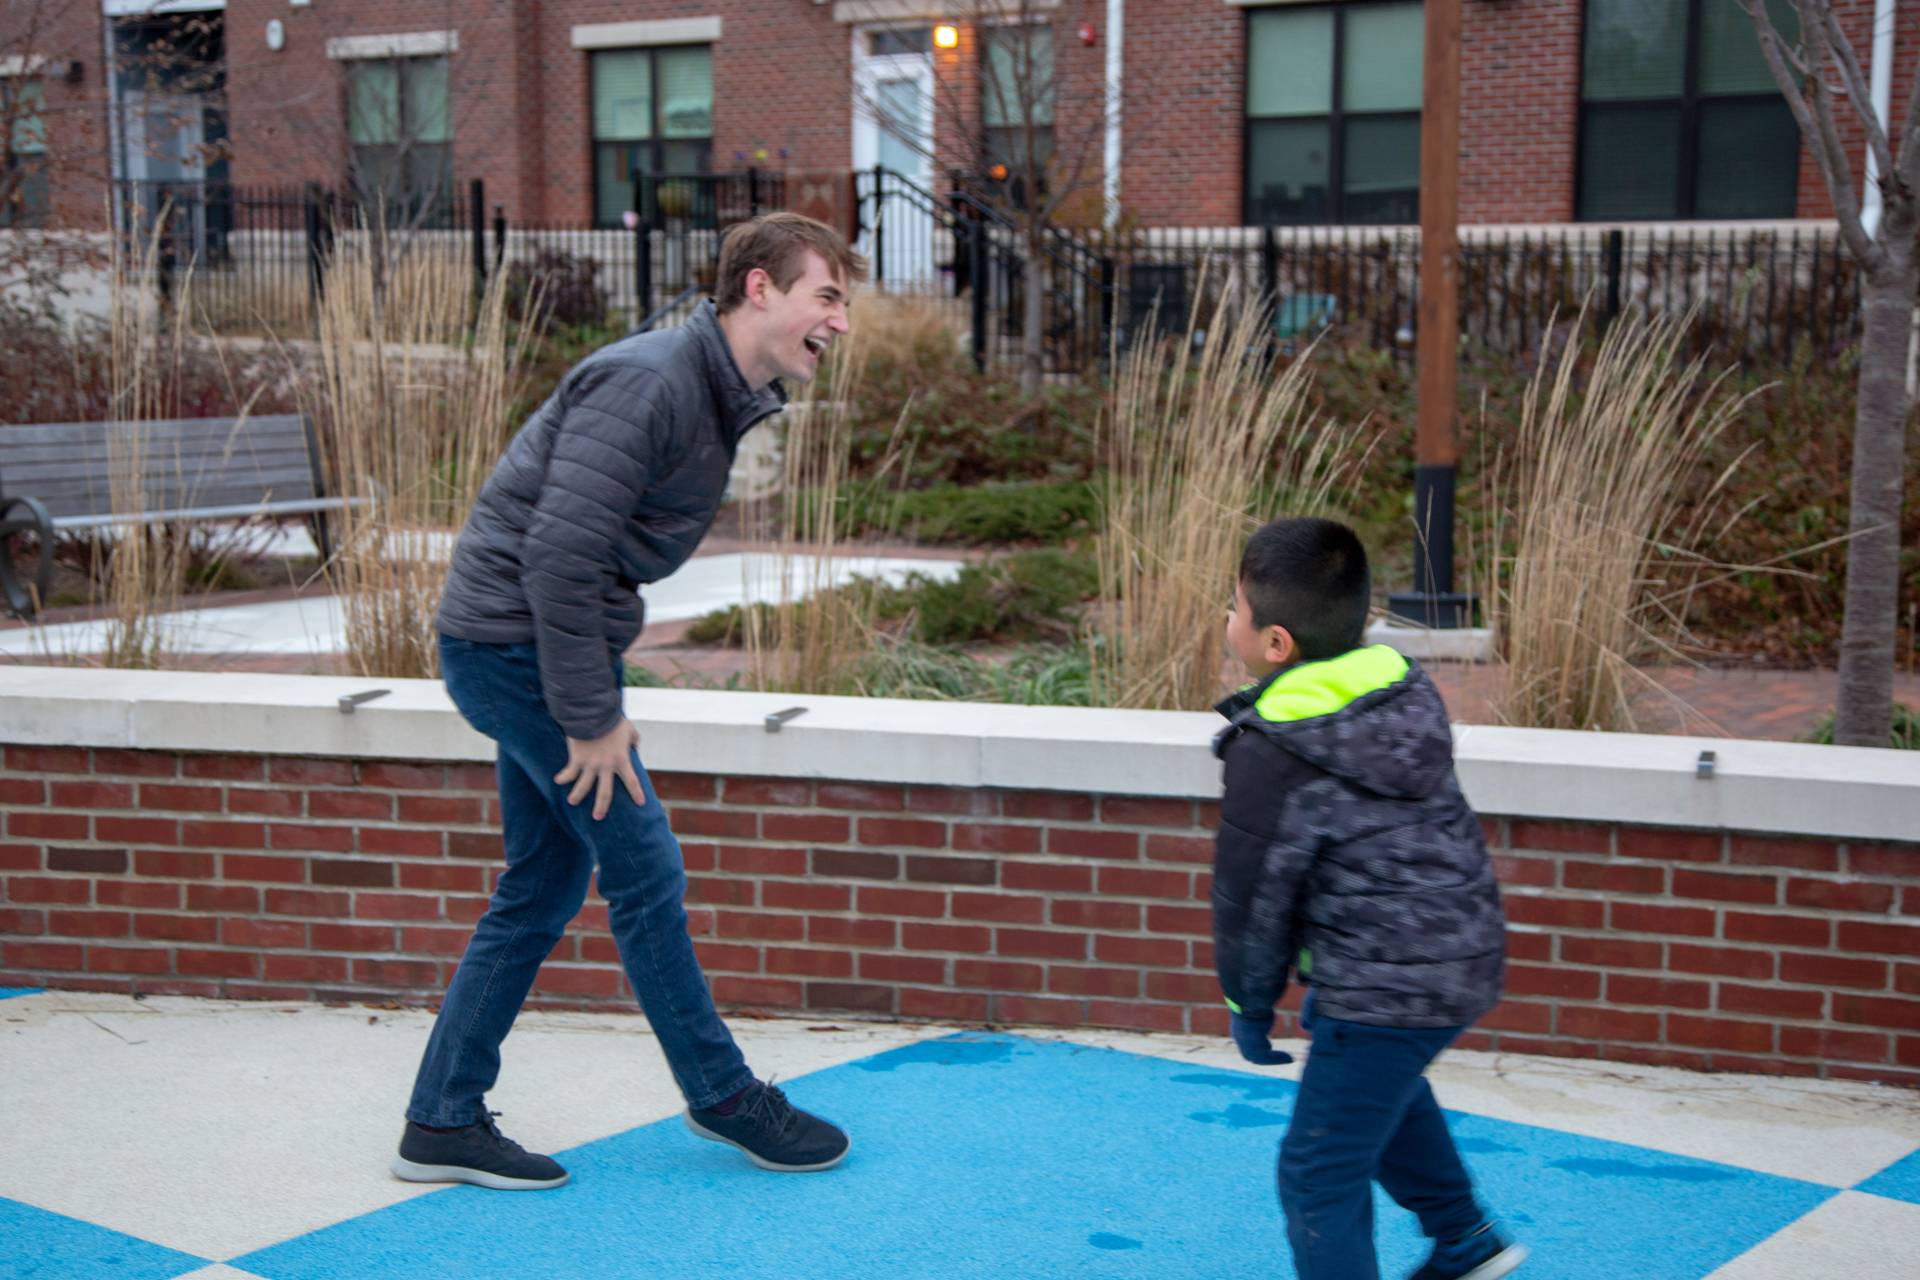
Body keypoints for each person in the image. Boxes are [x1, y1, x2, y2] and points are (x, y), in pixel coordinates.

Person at [391, 213, 865, 1191]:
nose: (842, 320)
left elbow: (584, 556)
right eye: (828, 294)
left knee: (541, 881)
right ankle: (724, 1093)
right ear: (760, 288)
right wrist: (590, 715)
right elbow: (558, 557)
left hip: (525, 651)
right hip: (512, 651)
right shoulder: (653, 380)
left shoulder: (708, 390)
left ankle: (441, 1116)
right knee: (644, 866)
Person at [1210, 516, 1526, 1280]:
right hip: (1459, 955)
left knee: (1316, 1174)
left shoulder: (1274, 746)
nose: (1227, 618)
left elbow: (1251, 902)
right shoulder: (1399, 693)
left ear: (1275, 643)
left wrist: (1250, 1008)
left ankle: (1465, 1237)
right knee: (1378, 1092)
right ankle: (1465, 1237)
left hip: (1381, 985)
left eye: (1235, 607)